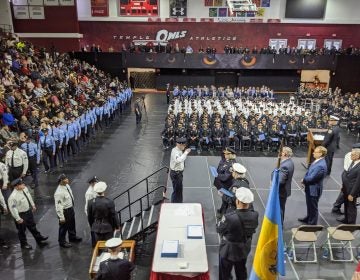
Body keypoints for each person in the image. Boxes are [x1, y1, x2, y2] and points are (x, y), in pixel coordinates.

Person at [217, 187, 259, 280]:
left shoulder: (229, 217)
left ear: (237, 201)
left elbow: (219, 229)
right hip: (243, 248)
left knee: (225, 274)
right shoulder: (255, 215)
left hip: (228, 249)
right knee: (241, 271)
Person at [8, 178, 48, 249]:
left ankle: (39, 238)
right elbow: (13, 209)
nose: (23, 184)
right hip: (21, 215)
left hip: (28, 211)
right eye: (21, 184)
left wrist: (33, 205)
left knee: (33, 226)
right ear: (16, 186)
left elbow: (29, 197)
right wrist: (18, 218)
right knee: (22, 231)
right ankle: (24, 244)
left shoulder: (24, 189)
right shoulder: (13, 197)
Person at [298, 146, 328, 225]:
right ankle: (308, 217)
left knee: (313, 206)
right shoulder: (317, 162)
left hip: (314, 190)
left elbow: (312, 178)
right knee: (309, 204)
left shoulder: (320, 166)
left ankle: (312, 222)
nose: (313, 153)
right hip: (310, 188)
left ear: (321, 154)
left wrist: (304, 180)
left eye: (315, 152)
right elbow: (309, 173)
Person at [54, 173, 82, 248]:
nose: (67, 179)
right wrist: (61, 217)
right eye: (65, 179)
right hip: (64, 211)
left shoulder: (67, 186)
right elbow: (58, 206)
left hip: (70, 209)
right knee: (63, 227)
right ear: (61, 181)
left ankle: (72, 237)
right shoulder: (59, 192)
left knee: (72, 224)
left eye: (67, 178)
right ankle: (62, 241)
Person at [337, 144, 360, 224]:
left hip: (352, 191)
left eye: (353, 155)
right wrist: (343, 186)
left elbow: (358, 182)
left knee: (351, 207)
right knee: (346, 205)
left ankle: (351, 223)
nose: (351, 156)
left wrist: (352, 194)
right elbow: (347, 174)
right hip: (346, 188)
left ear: (358, 156)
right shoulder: (353, 162)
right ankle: (346, 218)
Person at [332, 146, 354, 214]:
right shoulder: (353, 156)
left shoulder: (348, 154)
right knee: (347, 191)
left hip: (346, 174)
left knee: (345, 191)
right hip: (350, 175)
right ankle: (337, 206)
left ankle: (337, 205)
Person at [169, 137, 191, 203]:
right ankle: (173, 203)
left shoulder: (179, 149)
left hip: (179, 173)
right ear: (179, 144)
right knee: (176, 191)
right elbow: (178, 160)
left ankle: (179, 202)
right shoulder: (175, 152)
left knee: (179, 190)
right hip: (176, 174)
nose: (184, 147)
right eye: (184, 145)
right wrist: (186, 153)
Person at [276, 146, 294, 223]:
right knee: (281, 207)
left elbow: (280, 181)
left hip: (281, 191)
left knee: (280, 208)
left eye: (281, 151)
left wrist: (273, 182)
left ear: (285, 154)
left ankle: (279, 225)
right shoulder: (290, 162)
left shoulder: (285, 166)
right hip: (285, 190)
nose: (279, 153)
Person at [85, 176, 98, 247]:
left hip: (94, 212)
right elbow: (88, 205)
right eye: (95, 181)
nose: (97, 182)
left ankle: (96, 242)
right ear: (92, 183)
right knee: (93, 229)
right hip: (91, 213)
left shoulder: (94, 189)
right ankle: (94, 244)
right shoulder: (89, 193)